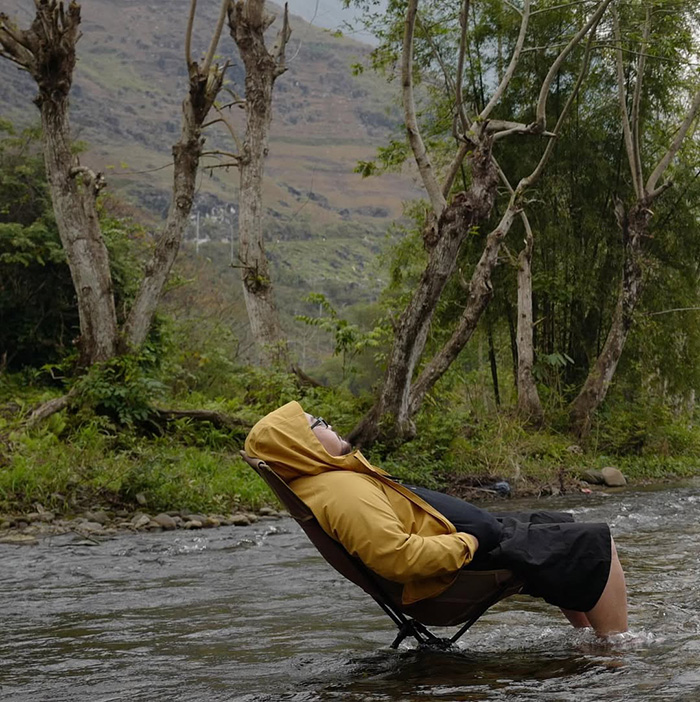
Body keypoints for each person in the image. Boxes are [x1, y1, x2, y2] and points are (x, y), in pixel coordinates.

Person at [245, 401, 628, 637]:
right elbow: (394, 556)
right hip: (457, 572)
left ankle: (587, 639)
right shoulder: (340, 490)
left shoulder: (327, 483)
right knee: (595, 543)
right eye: (318, 424)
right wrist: (469, 542)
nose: (328, 425)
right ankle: (616, 653)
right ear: (300, 445)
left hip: (463, 549)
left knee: (557, 522)